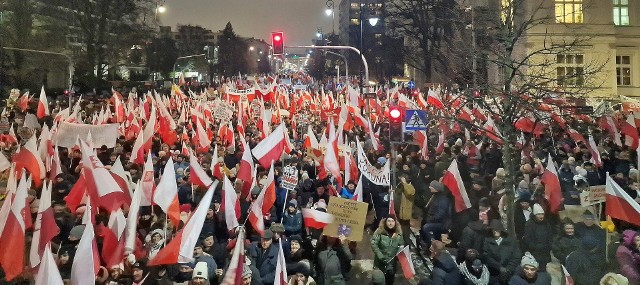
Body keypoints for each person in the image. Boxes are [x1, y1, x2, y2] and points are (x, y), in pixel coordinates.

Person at [482, 220, 521, 284]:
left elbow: (516, 256)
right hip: (494, 274)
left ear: (501, 229)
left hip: (509, 274)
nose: (495, 231)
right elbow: (486, 256)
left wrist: (508, 270)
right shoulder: (487, 241)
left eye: (497, 229)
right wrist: (499, 267)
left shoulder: (511, 241)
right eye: (493, 229)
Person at [371, 217, 404, 285]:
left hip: (391, 265)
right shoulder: (379, 231)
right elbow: (373, 243)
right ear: (385, 222)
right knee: (378, 281)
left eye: (392, 221)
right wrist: (380, 256)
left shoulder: (398, 234)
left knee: (390, 281)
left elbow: (401, 245)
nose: (390, 223)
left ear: (395, 223)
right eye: (388, 221)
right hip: (380, 263)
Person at [521, 204, 553, 272]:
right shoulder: (529, 224)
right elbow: (527, 238)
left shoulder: (546, 224)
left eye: (542, 214)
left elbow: (550, 236)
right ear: (535, 215)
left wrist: (549, 246)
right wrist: (535, 246)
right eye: (539, 214)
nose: (541, 216)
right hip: (533, 252)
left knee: (543, 270)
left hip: (544, 252)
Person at [422, 180, 451, 249]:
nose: (429, 187)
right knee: (435, 234)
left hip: (442, 223)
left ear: (436, 188)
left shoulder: (443, 200)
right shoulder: (435, 196)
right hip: (435, 220)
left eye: (431, 186)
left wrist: (429, 219)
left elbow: (440, 215)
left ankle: (430, 245)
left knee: (426, 228)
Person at [395, 175, 415, 246]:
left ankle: (406, 243)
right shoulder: (402, 186)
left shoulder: (411, 188)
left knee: (405, 228)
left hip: (405, 213)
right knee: (400, 227)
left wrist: (404, 183)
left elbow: (409, 193)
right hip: (399, 211)